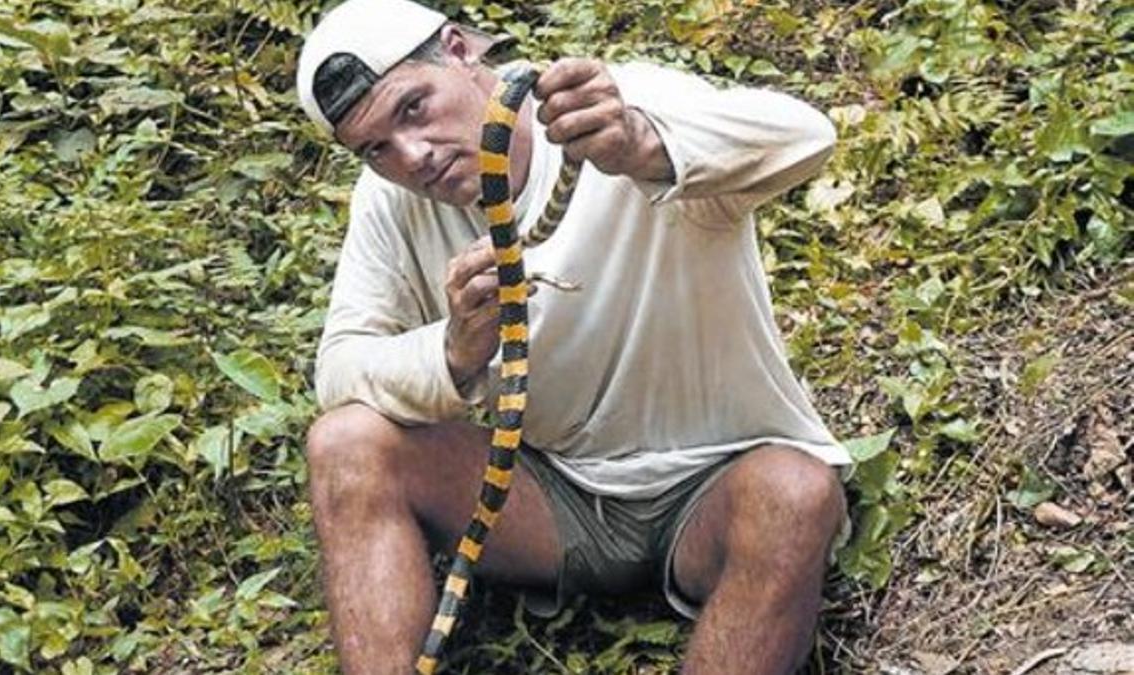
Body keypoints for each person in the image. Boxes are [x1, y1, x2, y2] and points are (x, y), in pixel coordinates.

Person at [296, 0, 851, 672]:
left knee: (797, 492)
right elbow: (341, 367)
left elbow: (807, 136)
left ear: (461, 51)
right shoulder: (392, 199)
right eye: (375, 148)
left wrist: (643, 145)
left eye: (413, 108)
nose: (412, 157)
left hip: (714, 486)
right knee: (345, 444)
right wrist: (454, 349)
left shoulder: (609, 106)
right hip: (550, 500)